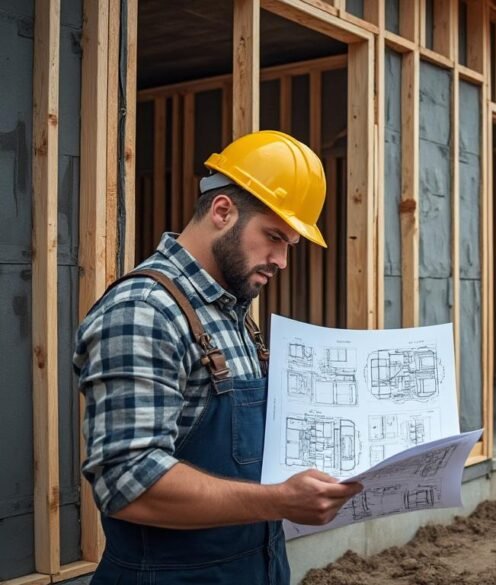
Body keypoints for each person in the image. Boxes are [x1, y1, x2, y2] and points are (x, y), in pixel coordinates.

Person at [74, 130, 362, 585]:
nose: (282, 260)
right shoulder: (145, 312)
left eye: (290, 243)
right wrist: (280, 500)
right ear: (223, 211)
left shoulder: (232, 313)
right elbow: (128, 483)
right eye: (273, 236)